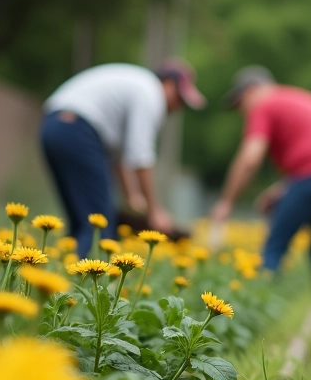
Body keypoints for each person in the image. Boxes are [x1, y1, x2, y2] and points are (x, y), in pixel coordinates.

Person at [210, 66, 311, 303]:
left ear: (251, 91)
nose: (242, 111)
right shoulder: (298, 98)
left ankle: (257, 305)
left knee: (274, 247)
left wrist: (226, 202)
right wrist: (281, 190)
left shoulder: (264, 104)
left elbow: (250, 158)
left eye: (240, 104)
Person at [40, 59, 205, 253]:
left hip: (53, 126)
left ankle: (62, 275)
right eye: (180, 98)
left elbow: (120, 156)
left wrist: (132, 195)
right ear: (168, 83)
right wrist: (155, 211)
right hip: (78, 130)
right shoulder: (150, 92)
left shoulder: (135, 84)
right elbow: (140, 154)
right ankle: (86, 279)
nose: (178, 107)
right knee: (99, 226)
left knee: (82, 220)